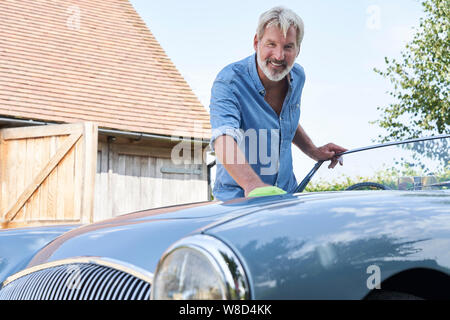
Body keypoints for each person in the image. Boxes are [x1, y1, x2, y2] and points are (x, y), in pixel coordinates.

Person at [209, 6, 347, 201]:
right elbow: (223, 138)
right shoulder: (229, 81)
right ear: (257, 42)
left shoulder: (297, 77)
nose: (279, 56)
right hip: (239, 201)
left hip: (285, 196)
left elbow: (285, 119)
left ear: (298, 49)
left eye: (288, 46)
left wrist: (314, 151)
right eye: (271, 44)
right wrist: (253, 185)